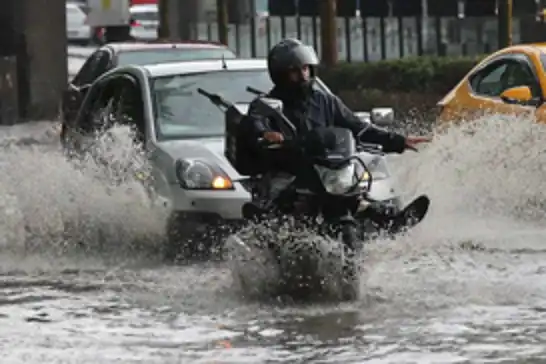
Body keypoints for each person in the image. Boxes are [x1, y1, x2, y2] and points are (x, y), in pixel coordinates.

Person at [244, 38, 430, 213]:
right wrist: (266, 133)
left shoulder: (326, 101)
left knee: (359, 190)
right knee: (275, 199)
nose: (303, 76)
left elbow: (358, 127)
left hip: (327, 167)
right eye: (295, 71)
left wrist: (398, 141)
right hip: (290, 169)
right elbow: (256, 122)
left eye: (306, 69)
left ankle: (386, 219)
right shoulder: (268, 103)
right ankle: (270, 233)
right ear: (281, 75)